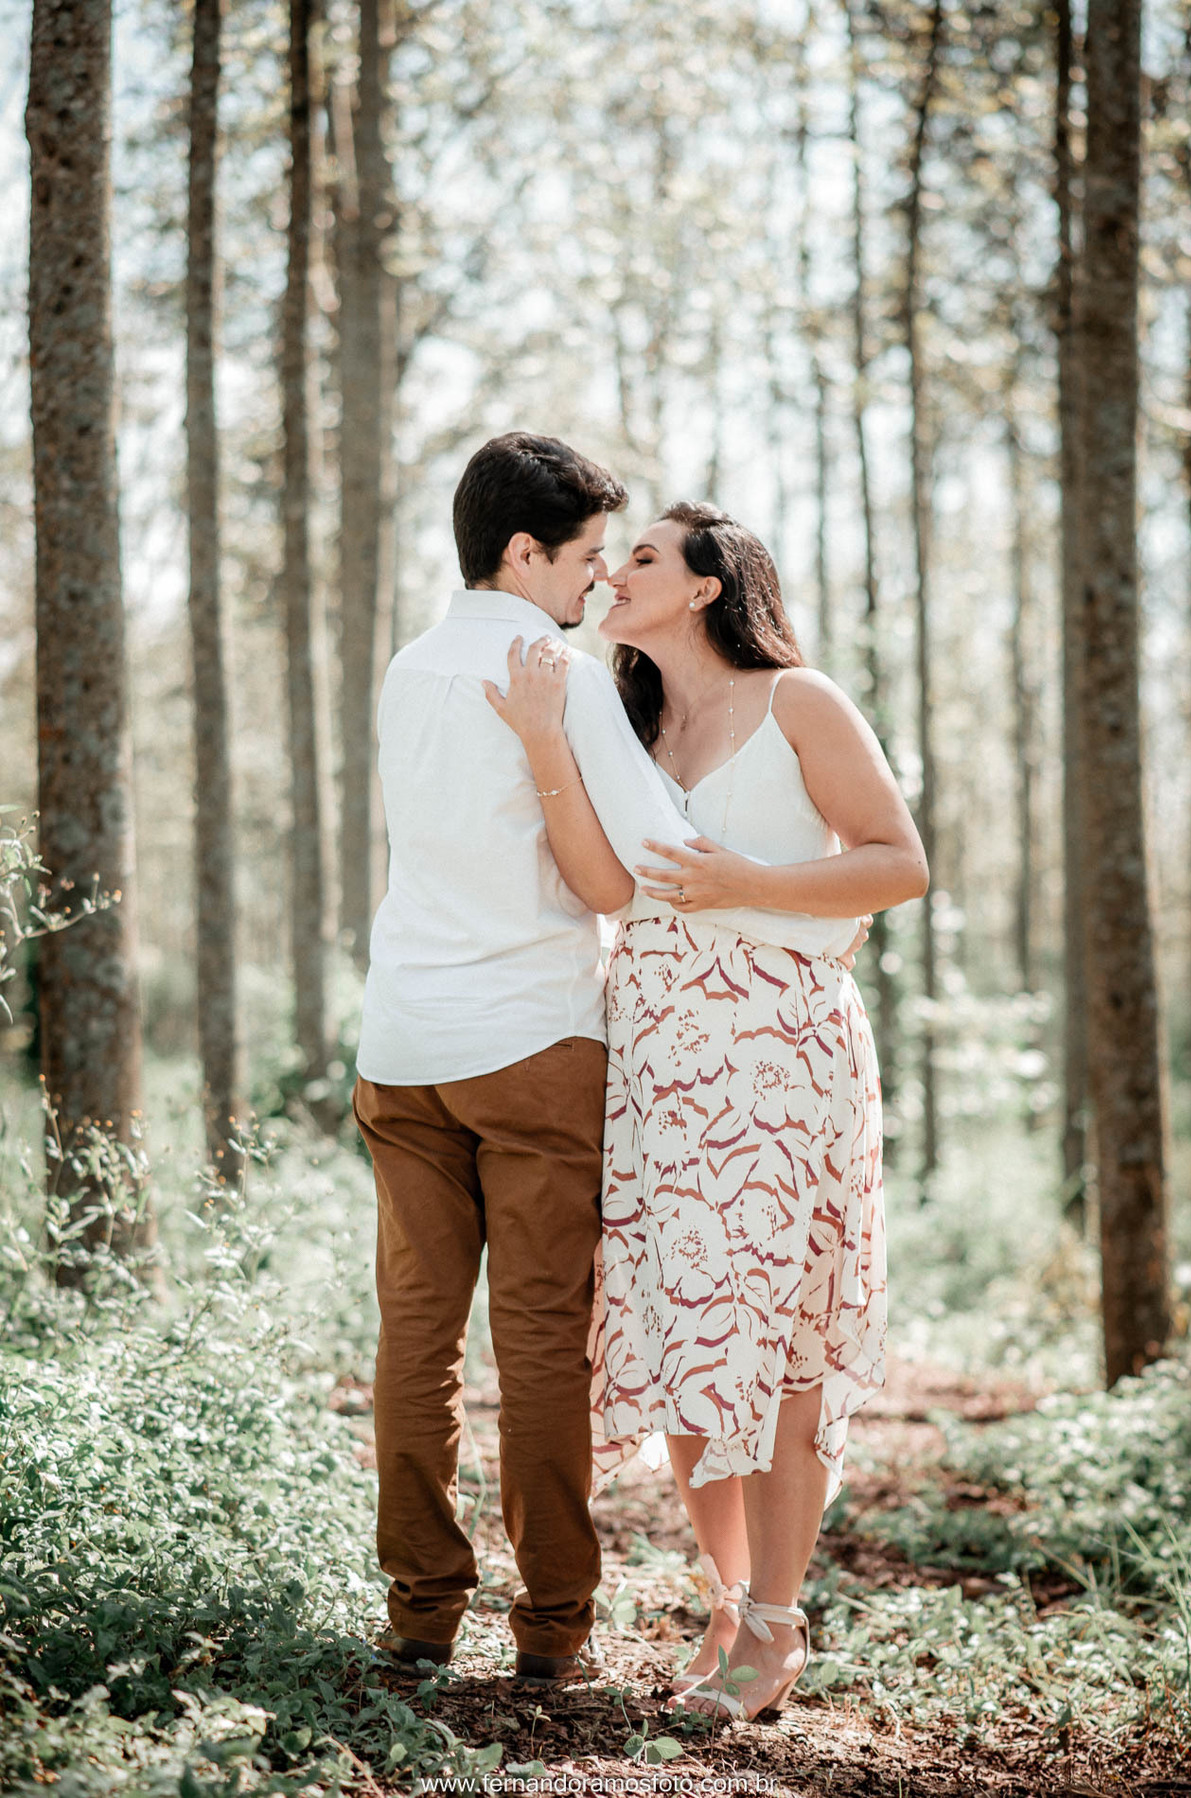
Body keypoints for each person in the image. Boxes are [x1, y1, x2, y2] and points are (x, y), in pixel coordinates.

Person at [353, 437, 862, 1684]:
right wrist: (806, 901)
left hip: (399, 1044)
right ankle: (551, 1636)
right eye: (585, 556)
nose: (593, 584)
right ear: (523, 552)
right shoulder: (562, 677)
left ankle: (420, 1616)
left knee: (414, 1341)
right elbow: (650, 865)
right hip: (529, 1047)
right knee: (536, 1344)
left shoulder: (407, 671)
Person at [488, 500, 927, 1720]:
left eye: (639, 557)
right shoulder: (624, 718)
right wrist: (541, 741)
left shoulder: (801, 703)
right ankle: (733, 1604)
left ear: (703, 587)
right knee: (686, 1340)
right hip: (660, 1066)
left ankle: (778, 1625)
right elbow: (600, 877)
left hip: (784, 1059)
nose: (612, 573)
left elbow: (900, 860)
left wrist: (755, 880)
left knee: (780, 1345)